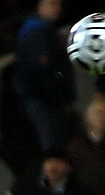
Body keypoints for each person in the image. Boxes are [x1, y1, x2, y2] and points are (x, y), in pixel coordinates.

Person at [9, 0, 75, 153]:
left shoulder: (42, 29)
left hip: (44, 98)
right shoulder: (36, 30)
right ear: (40, 6)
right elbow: (42, 68)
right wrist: (57, 94)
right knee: (52, 143)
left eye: (58, 4)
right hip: (43, 100)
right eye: (52, 4)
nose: (57, 8)